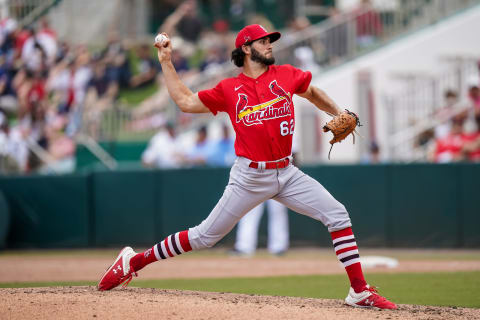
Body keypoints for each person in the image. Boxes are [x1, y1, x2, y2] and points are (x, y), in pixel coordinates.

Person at [97, 24, 397, 310]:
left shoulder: (286, 75)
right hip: (249, 177)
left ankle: (359, 291)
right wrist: (165, 60)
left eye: (270, 40)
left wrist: (339, 111)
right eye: (263, 41)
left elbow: (312, 92)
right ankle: (133, 262)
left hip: (287, 172)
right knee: (205, 236)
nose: (269, 44)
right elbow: (186, 102)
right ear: (246, 48)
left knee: (337, 214)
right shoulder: (230, 89)